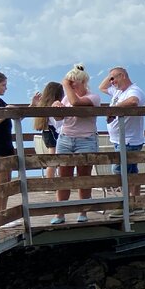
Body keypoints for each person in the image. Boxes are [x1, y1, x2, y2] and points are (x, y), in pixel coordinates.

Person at [53, 64, 101, 224]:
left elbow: (76, 102)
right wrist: (57, 108)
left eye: (74, 82)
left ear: (83, 82)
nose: (71, 85)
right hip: (66, 138)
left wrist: (65, 84)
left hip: (85, 140)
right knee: (64, 178)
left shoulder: (93, 98)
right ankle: (60, 213)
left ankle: (83, 211)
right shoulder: (66, 98)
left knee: (83, 178)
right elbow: (60, 119)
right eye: (69, 82)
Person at [98, 66, 145, 218]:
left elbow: (133, 102)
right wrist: (111, 75)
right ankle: (135, 204)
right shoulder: (117, 90)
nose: (112, 82)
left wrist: (113, 110)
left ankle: (124, 205)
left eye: (115, 78)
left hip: (129, 140)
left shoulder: (134, 90)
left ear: (123, 76)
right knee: (132, 172)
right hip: (120, 139)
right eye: (111, 79)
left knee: (119, 172)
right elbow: (102, 87)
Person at [31, 82, 64, 180]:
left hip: (47, 133)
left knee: (51, 158)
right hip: (53, 133)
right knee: (52, 159)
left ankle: (50, 180)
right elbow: (57, 124)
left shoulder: (43, 105)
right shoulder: (53, 107)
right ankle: (50, 181)